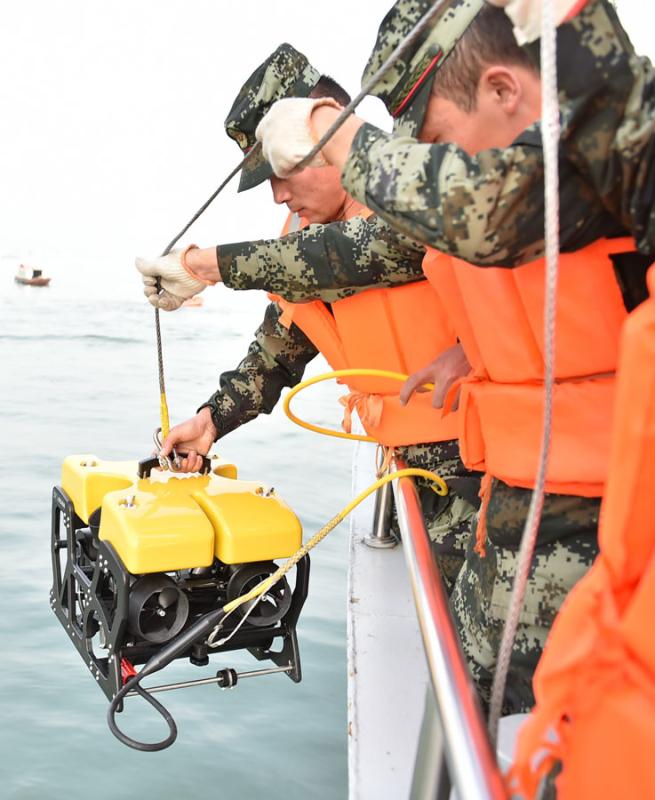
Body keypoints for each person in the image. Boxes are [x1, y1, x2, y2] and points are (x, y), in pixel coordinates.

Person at [254, 1, 650, 713]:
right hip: (552, 479)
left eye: (441, 140)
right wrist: (468, 348)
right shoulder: (593, 149)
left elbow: (489, 212)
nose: (444, 162)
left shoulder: (602, 150)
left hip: (594, 482)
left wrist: (335, 138)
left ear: (503, 91)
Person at [138, 44, 480, 593]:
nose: (276, 196)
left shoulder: (414, 193)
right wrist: (211, 421)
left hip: (480, 467)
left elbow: (350, 252)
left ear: (328, 131)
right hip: (410, 466)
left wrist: (205, 265)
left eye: (281, 171)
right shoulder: (301, 241)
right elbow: (280, 347)